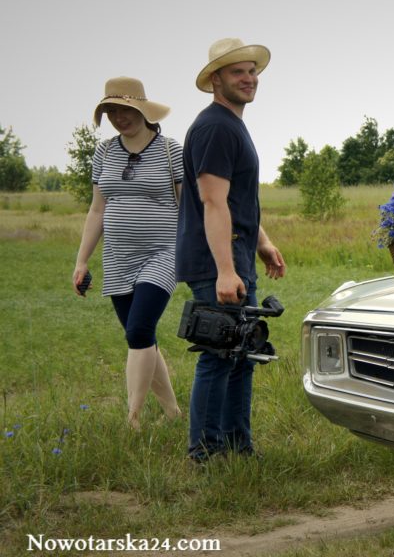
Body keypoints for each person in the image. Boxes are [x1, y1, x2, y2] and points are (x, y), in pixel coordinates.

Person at [177, 38, 286, 463]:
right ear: (216, 80)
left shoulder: (232, 125)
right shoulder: (215, 127)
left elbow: (238, 201)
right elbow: (213, 201)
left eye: (252, 71)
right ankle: (204, 453)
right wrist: (224, 270)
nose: (249, 78)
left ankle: (239, 447)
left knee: (243, 355)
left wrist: (263, 243)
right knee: (221, 354)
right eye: (238, 72)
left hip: (237, 254)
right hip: (216, 260)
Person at [73, 76, 183, 430]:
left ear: (143, 110)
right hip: (118, 258)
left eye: (126, 109)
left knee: (138, 330)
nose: (120, 117)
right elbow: (97, 209)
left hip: (164, 253)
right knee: (143, 339)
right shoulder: (104, 152)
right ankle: (173, 413)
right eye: (112, 111)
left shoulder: (171, 150)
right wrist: (81, 260)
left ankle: (132, 418)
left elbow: (189, 207)